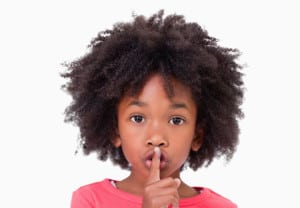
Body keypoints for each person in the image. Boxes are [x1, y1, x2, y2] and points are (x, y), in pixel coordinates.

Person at [61, 10, 244, 208]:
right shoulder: (90, 200)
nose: (156, 138)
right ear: (115, 130)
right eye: (138, 118)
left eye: (176, 120)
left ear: (197, 136)